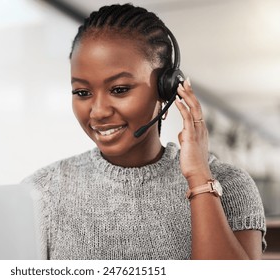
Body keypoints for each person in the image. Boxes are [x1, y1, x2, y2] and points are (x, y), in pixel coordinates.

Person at [22, 3, 266, 260]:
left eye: (119, 89)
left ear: (166, 90)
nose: (98, 111)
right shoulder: (40, 193)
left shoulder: (230, 185)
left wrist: (199, 178)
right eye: (82, 93)